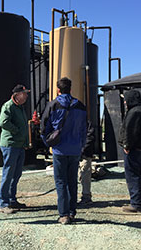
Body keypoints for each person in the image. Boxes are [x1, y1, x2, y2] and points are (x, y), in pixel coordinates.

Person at [41, 77, 87, 224]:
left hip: (59, 149)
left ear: (58, 90)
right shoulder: (80, 106)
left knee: (61, 182)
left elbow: (43, 128)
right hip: (75, 150)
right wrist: (81, 146)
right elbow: (85, 129)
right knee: (72, 181)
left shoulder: (53, 105)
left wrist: (49, 143)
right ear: (71, 89)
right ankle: (72, 211)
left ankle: (64, 214)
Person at [118, 89, 141, 213]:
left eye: (126, 99)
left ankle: (136, 203)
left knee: (132, 175)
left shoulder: (134, 112)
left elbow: (131, 131)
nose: (125, 102)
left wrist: (127, 145)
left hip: (133, 149)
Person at [0, 84, 30, 214]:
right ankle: (3, 203)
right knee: (8, 173)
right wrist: (16, 131)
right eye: (25, 93)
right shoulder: (8, 106)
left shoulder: (20, 108)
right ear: (17, 95)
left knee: (16, 174)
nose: (27, 96)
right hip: (10, 145)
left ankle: (12, 199)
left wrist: (25, 141)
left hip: (19, 145)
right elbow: (3, 122)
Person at [78, 121, 95, 205]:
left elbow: (90, 137)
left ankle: (86, 196)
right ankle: (85, 196)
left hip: (84, 154)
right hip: (81, 152)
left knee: (84, 176)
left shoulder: (86, 124)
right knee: (82, 176)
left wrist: (82, 150)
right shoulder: (86, 123)